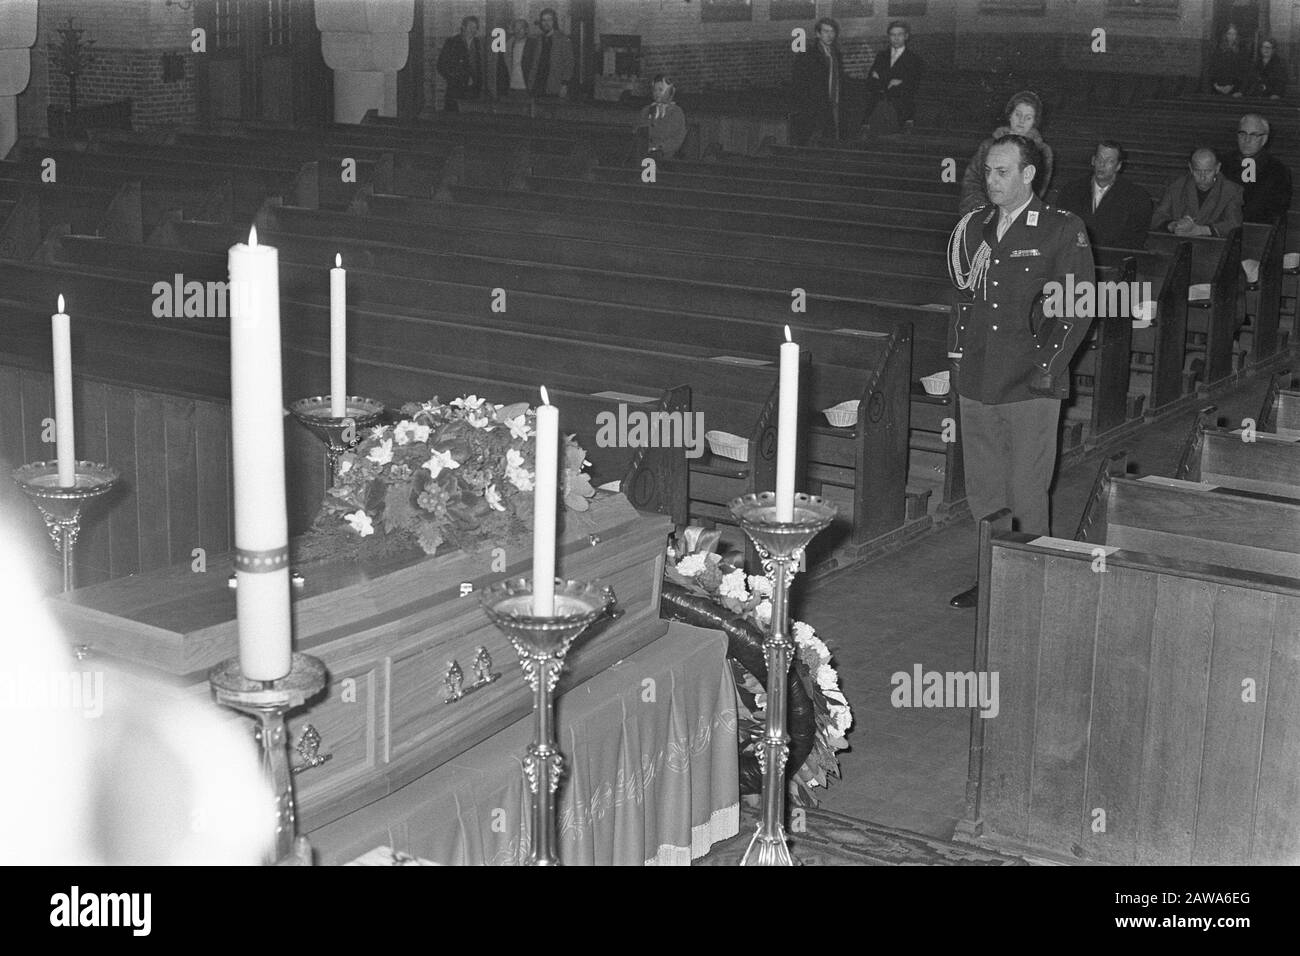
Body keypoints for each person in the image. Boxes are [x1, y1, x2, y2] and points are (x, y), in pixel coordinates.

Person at [945, 135, 1095, 608]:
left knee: (1027, 490)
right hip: (979, 375)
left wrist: (1048, 367)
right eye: (988, 171)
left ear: (1028, 175)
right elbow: (964, 301)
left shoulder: (1059, 228)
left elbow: (1078, 305)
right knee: (984, 490)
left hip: (1031, 378)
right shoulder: (976, 226)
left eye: (1002, 172)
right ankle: (992, 575)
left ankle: (1033, 583)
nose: (991, 180)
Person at [959, 91, 1054, 214]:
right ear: (1010, 115)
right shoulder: (988, 146)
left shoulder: (1042, 151)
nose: (1021, 121)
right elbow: (971, 180)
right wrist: (982, 209)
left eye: (1028, 117)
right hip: (983, 211)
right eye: (1017, 114)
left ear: (1034, 121)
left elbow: (1038, 188)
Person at [1052, 140, 1154, 249]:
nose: (1102, 164)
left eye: (1109, 161)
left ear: (1118, 166)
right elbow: (1058, 227)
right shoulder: (1071, 190)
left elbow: (1135, 238)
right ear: (1093, 160)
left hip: (1113, 259)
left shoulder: (1136, 197)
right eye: (1099, 159)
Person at [1151, 147, 1244, 237]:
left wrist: (1201, 230)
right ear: (1191, 168)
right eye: (1197, 171)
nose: (1202, 177)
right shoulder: (1176, 186)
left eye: (1208, 171)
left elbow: (1234, 223)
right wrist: (1174, 225)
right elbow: (1157, 217)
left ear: (1217, 168)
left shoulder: (1231, 190)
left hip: (1212, 247)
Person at [1222, 113, 1293, 223]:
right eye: (1242, 134)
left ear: (1264, 139)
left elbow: (1276, 210)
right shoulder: (1222, 163)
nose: (1247, 140)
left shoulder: (1278, 171)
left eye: (1253, 135)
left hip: (1256, 231)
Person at [791, 17, 845, 146]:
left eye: (832, 32)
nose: (829, 35)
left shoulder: (836, 53)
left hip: (834, 102)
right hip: (815, 105)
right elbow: (800, 81)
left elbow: (839, 76)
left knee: (832, 138)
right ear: (818, 34)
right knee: (813, 139)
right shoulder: (808, 55)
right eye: (825, 31)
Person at [863, 20, 923, 131]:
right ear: (889, 37)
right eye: (893, 35)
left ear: (906, 36)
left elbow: (912, 87)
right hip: (878, 107)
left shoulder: (914, 59)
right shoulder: (881, 56)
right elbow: (870, 83)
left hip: (901, 110)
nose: (896, 38)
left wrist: (881, 79)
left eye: (900, 34)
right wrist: (891, 82)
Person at [437, 16, 486, 112]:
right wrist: (455, 79)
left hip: (473, 91)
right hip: (455, 90)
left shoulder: (478, 44)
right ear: (463, 27)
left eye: (475, 27)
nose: (473, 30)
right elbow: (441, 65)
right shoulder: (452, 42)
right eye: (470, 27)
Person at [635, 75, 687, 161]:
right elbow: (639, 132)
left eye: (660, 90)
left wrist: (661, 149)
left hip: (666, 157)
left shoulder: (676, 112)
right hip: (644, 156)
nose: (657, 93)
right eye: (655, 90)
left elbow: (677, 138)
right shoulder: (647, 110)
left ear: (670, 91)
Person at [526, 8, 574, 98]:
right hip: (538, 86)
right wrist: (530, 83)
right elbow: (535, 63)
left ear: (554, 21)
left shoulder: (563, 39)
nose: (546, 23)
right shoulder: (539, 40)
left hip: (554, 86)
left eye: (549, 20)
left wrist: (565, 84)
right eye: (544, 20)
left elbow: (569, 63)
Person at [490, 18, 531, 97]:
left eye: (521, 28)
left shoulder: (532, 45)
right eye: (516, 28)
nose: (518, 31)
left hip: (527, 88)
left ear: (526, 30)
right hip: (511, 87)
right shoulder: (508, 45)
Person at [1208, 23, 1248, 95]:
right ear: (1225, 35)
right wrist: (1216, 86)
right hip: (1218, 87)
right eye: (1229, 33)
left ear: (1237, 35)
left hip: (1235, 88)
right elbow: (1213, 69)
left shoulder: (1241, 51)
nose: (1231, 36)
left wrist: (1232, 86)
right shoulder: (1218, 50)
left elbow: (1242, 71)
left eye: (1234, 34)